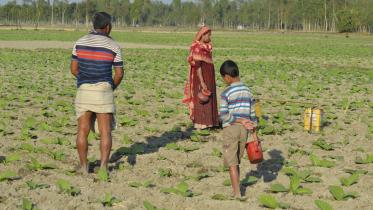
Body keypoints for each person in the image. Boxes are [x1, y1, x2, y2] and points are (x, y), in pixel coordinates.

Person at [70, 12, 124, 174]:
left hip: (84, 90)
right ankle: (103, 168)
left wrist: (86, 79)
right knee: (105, 131)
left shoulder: (79, 42)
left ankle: (84, 167)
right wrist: (109, 87)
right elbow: (119, 74)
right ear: (107, 27)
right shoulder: (113, 45)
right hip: (103, 91)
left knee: (82, 130)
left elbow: (74, 69)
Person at [219, 60, 257, 198]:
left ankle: (236, 193)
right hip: (244, 131)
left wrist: (237, 119)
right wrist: (254, 129)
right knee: (237, 161)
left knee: (232, 163)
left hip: (231, 129)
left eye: (223, 78)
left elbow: (223, 115)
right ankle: (237, 189)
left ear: (227, 77)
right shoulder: (248, 90)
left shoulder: (226, 93)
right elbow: (253, 114)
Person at [182, 26, 219, 130]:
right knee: (202, 98)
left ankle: (209, 122)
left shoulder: (207, 47)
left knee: (209, 97)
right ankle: (201, 123)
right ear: (202, 35)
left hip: (209, 76)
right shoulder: (197, 47)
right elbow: (198, 67)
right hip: (201, 77)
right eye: (208, 35)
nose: (210, 37)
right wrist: (202, 82)